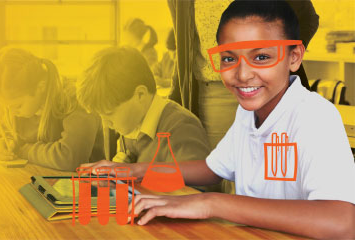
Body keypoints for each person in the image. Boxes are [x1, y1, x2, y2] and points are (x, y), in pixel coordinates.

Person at [82, 1, 355, 238]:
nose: (242, 74)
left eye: (261, 57)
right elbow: (213, 168)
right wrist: (136, 171)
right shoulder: (247, 114)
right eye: (228, 58)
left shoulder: (316, 117)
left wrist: (212, 203)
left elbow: (343, 223)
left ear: (293, 57)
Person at [76, 46, 210, 167]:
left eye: (109, 113)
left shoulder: (181, 129)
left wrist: (137, 175)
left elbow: (199, 188)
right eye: (101, 115)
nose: (106, 123)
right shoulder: (130, 126)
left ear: (140, 95)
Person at [0, 47, 104, 171]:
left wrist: (23, 150)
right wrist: (0, 143)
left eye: (18, 106)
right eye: (6, 108)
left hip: (85, 185)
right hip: (37, 180)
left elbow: (69, 158)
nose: (12, 113)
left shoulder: (75, 101)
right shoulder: (19, 104)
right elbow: (1, 128)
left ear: (40, 87)